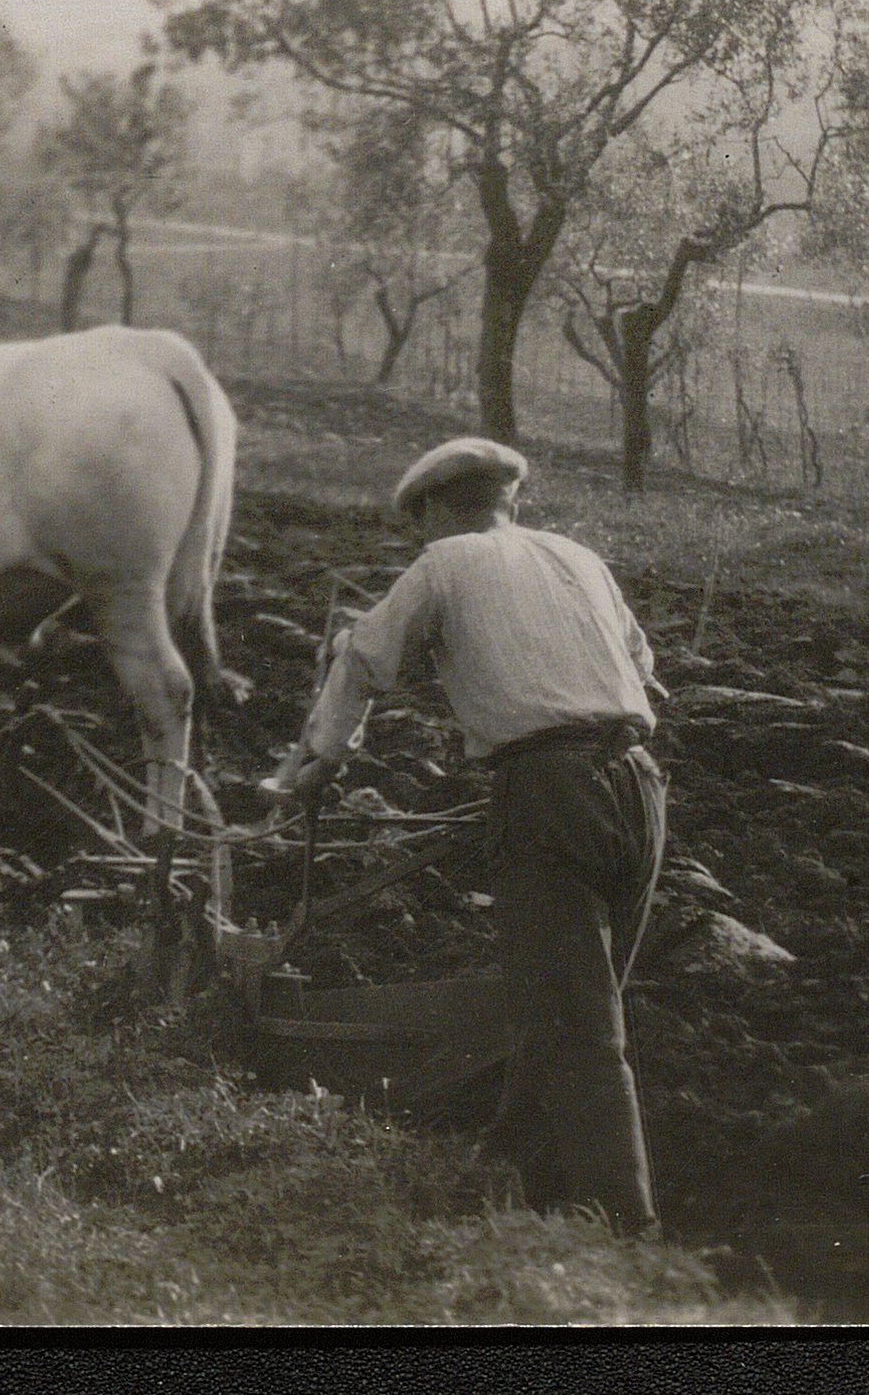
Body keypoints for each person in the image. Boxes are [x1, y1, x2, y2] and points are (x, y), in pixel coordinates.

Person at [266, 435, 670, 1236]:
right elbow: (644, 667)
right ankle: (503, 1169)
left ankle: (626, 1233)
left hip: (548, 791)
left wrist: (322, 760)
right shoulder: (579, 556)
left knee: (580, 1027)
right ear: (508, 499)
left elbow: (362, 660)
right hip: (640, 786)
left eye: (421, 523)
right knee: (569, 998)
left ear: (437, 512)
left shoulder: (444, 562)